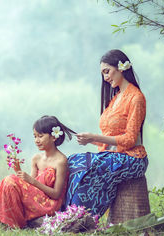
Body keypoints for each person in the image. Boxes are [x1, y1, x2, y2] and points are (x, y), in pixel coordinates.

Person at [63, 49, 149, 217]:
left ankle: (83, 217)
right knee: (74, 161)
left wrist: (94, 136)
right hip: (113, 155)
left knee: (91, 166)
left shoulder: (136, 98)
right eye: (103, 73)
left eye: (107, 71)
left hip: (133, 158)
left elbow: (130, 139)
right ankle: (68, 214)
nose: (105, 77)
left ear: (121, 68)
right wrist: (90, 140)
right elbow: (110, 140)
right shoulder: (115, 98)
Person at [0, 115, 76, 229]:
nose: (36, 140)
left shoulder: (61, 161)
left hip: (48, 203)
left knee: (8, 180)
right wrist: (18, 170)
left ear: (53, 137)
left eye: (40, 136)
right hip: (35, 198)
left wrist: (31, 180)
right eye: (35, 136)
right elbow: (28, 187)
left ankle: (10, 223)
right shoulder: (36, 158)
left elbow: (56, 194)